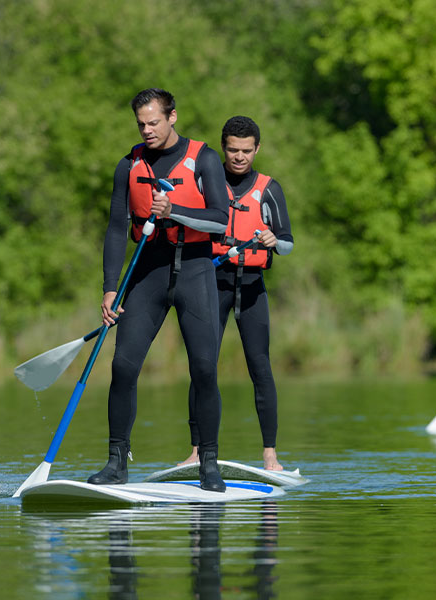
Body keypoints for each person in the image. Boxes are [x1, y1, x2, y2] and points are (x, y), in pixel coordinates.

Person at [89, 88, 230, 491]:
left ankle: (209, 463)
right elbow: (117, 229)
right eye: (141, 124)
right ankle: (116, 463)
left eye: (154, 122)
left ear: (172, 118)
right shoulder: (127, 165)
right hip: (147, 272)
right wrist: (110, 288)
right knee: (123, 366)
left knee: (203, 369)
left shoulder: (203, 158)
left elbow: (220, 220)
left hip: (196, 271)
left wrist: (176, 211)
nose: (147, 130)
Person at [180, 115, 294, 471]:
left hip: (251, 288)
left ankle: (270, 455)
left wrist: (275, 241)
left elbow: (288, 242)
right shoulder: (207, 181)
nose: (239, 157)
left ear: (256, 149)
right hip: (212, 285)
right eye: (233, 150)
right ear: (223, 148)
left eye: (246, 150)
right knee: (203, 366)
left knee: (260, 368)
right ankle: (197, 450)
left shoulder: (269, 188)